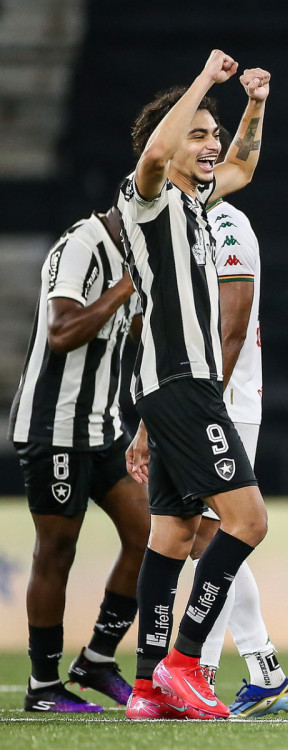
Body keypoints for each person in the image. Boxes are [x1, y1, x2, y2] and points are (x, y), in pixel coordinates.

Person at [118, 49, 272, 721]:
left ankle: (149, 685)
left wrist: (253, 106)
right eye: (199, 134)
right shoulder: (146, 197)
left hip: (169, 388)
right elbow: (155, 150)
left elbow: (242, 165)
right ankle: (185, 662)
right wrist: (206, 81)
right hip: (184, 382)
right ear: (170, 145)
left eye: (212, 133)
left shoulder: (199, 195)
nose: (212, 146)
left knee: (175, 533)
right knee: (246, 521)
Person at [173, 126, 288, 718]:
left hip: (226, 402)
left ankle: (208, 669)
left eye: (212, 138)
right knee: (208, 539)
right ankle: (260, 668)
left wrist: (207, 402)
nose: (209, 148)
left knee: (224, 532)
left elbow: (233, 324)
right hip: (200, 400)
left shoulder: (227, 225)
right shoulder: (184, 222)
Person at [8, 211, 149, 712]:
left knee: (149, 534)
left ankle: (97, 659)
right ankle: (43, 686)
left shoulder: (141, 252)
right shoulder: (82, 245)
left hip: (104, 427)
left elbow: (129, 336)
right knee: (57, 550)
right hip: (54, 427)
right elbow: (62, 330)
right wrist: (127, 287)